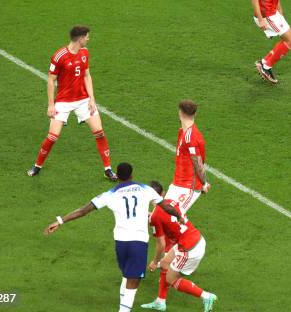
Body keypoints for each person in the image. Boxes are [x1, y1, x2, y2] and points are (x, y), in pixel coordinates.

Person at [44, 162, 182, 312]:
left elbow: (84, 210)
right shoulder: (146, 189)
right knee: (133, 280)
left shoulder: (110, 194)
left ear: (117, 177)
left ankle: (123, 307)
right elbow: (166, 207)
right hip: (138, 242)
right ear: (132, 175)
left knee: (127, 274)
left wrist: (60, 221)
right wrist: (179, 216)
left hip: (121, 243)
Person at [27, 25, 117, 181]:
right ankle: (37, 166)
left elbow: (87, 76)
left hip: (83, 100)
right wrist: (50, 104)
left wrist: (92, 98)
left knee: (100, 132)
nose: (88, 39)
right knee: (53, 136)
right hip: (63, 101)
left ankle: (108, 169)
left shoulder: (84, 53)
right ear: (80, 38)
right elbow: (50, 80)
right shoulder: (59, 56)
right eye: (87, 36)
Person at [140, 190, 217, 312]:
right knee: (165, 263)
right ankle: (160, 302)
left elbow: (161, 245)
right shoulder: (171, 202)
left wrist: (155, 262)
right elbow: (162, 216)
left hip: (189, 249)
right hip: (193, 238)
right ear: (162, 194)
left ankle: (206, 296)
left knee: (171, 279)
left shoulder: (155, 216)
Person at [164, 100, 210, 213]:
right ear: (195, 114)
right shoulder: (184, 132)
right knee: (162, 216)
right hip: (177, 183)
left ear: (181, 113)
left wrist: (204, 183)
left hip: (188, 187)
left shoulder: (190, 137)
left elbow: (198, 162)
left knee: (172, 218)